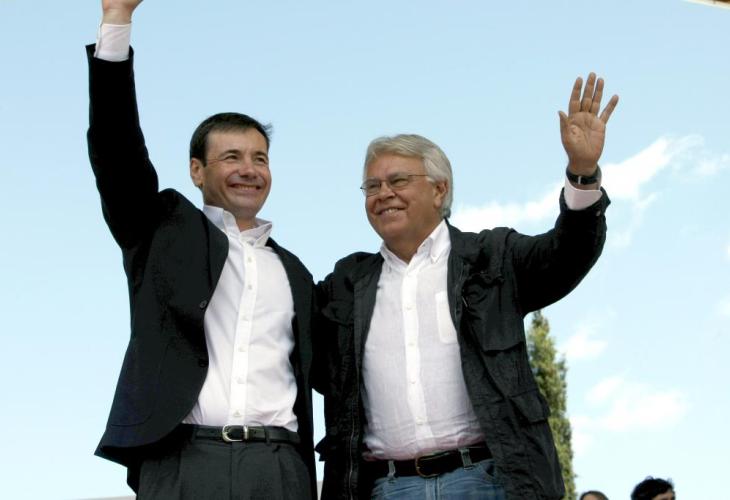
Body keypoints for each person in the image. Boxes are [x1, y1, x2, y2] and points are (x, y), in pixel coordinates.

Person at [316, 74, 618, 499]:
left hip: (487, 480)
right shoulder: (347, 285)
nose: (383, 194)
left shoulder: (492, 257)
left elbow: (567, 254)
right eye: (372, 186)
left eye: (398, 181)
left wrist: (582, 173)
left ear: (439, 189)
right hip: (387, 488)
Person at [86, 1, 318, 498]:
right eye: (231, 156)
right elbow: (116, 148)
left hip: (279, 468)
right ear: (197, 171)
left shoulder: (295, 272)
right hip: (182, 462)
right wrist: (117, 20)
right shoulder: (161, 229)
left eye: (260, 158)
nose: (249, 169)